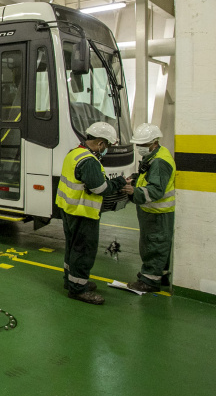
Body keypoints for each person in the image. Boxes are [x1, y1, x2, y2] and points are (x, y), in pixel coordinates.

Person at [56, 121, 129, 305]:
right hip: (83, 213)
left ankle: (71, 281)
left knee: (73, 248)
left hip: (69, 209)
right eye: (107, 146)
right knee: (83, 250)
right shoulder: (89, 161)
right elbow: (100, 188)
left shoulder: (75, 153)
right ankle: (78, 289)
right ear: (100, 143)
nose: (106, 149)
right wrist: (120, 182)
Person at [122, 123, 176, 293]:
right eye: (138, 144)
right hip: (155, 212)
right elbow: (150, 178)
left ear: (154, 142)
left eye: (143, 145)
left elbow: (156, 190)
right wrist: (136, 179)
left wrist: (134, 191)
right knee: (159, 244)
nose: (140, 148)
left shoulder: (160, 161)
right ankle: (161, 275)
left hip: (157, 212)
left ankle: (149, 281)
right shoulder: (156, 155)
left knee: (154, 244)